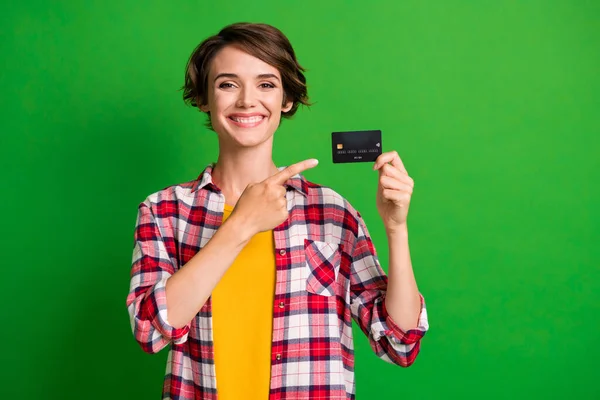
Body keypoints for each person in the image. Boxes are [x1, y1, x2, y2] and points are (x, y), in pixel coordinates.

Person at [126, 22, 429, 400]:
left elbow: (399, 342)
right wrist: (241, 226)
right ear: (204, 98)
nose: (247, 100)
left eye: (266, 84)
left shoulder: (332, 213)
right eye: (227, 84)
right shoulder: (164, 211)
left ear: (286, 99)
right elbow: (150, 330)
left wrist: (396, 229)